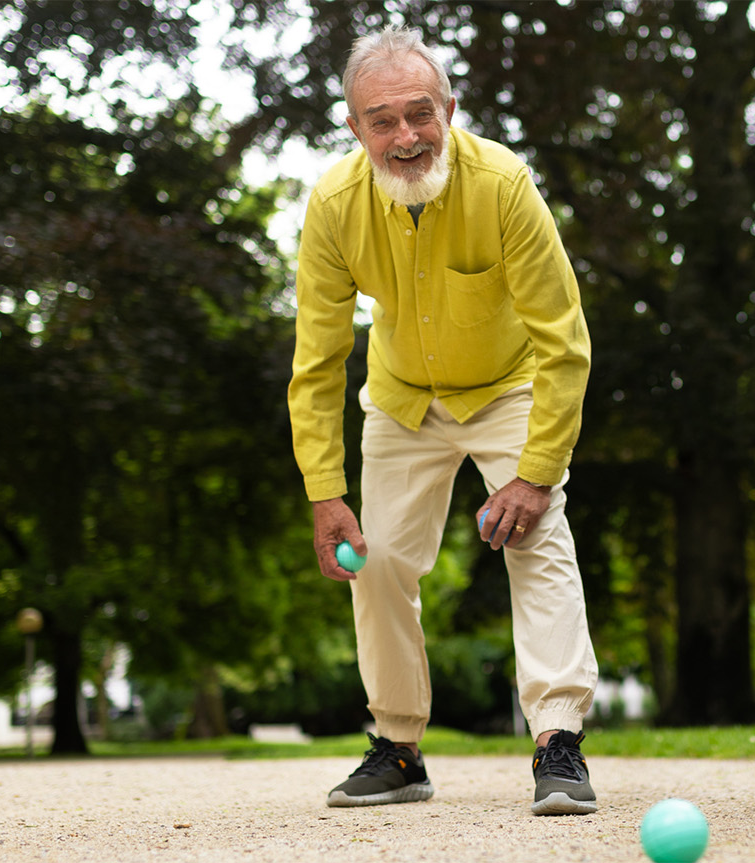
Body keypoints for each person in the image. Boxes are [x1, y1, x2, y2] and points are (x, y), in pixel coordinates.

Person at [288, 26, 598, 816]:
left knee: (538, 537)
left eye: (420, 114)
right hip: (403, 398)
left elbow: (564, 342)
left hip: (509, 386)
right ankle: (397, 748)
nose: (406, 136)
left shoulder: (503, 184)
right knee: (378, 557)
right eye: (382, 121)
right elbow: (319, 363)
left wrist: (534, 473)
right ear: (354, 128)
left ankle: (557, 738)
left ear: (450, 110)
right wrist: (326, 493)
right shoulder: (331, 205)